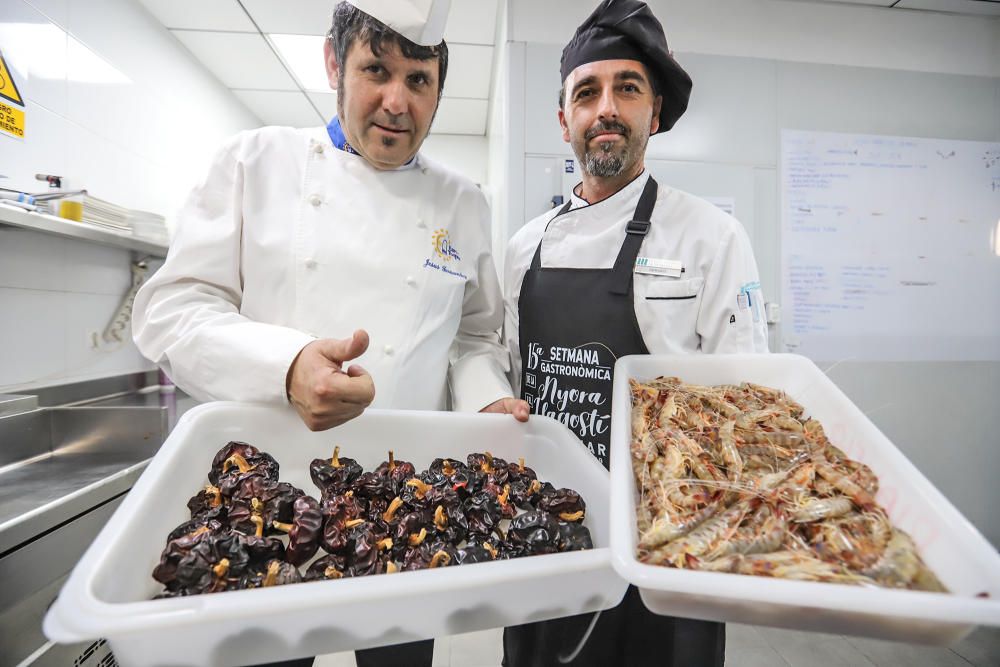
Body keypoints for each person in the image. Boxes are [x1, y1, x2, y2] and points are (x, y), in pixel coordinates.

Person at [133, 1, 527, 665]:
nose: (397, 101)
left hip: (408, 513)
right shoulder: (254, 163)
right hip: (271, 508)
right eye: (376, 69)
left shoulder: (464, 202)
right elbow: (171, 308)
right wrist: (284, 365)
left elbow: (475, 335)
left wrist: (486, 397)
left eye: (419, 79)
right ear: (332, 64)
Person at [501, 0, 769, 664]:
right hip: (549, 533)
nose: (606, 108)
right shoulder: (523, 248)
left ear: (654, 112)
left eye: (627, 87)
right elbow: (504, 378)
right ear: (565, 119)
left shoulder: (711, 237)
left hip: (670, 543)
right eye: (587, 92)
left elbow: (750, 399)